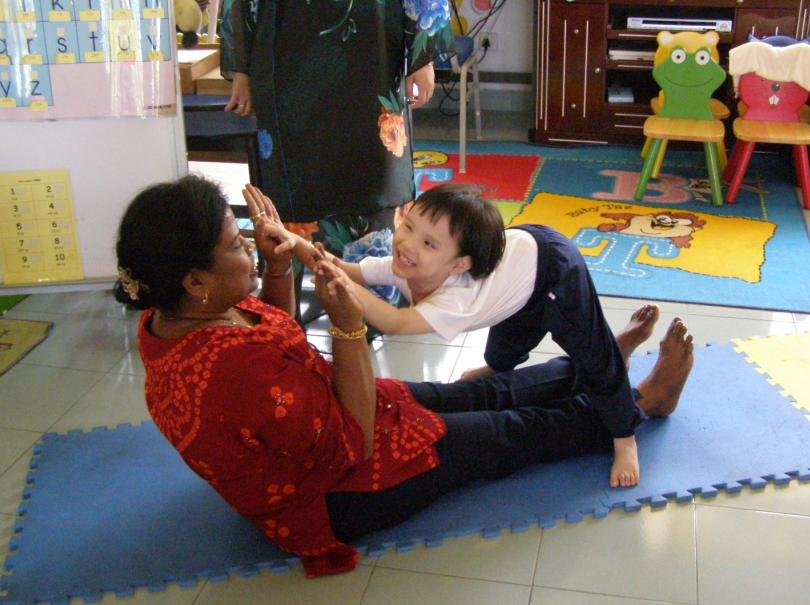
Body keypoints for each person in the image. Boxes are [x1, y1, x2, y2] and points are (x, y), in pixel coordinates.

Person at [114, 174, 695, 579]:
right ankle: (642, 401)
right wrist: (347, 330)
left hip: (325, 413)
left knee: (471, 392)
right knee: (507, 432)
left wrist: (278, 264)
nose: (247, 244)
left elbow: (277, 328)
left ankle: (595, 369)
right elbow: (352, 444)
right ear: (194, 279)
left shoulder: (174, 315)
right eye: (236, 244)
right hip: (339, 491)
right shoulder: (235, 373)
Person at [262, 182, 682, 489]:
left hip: (553, 270)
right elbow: (345, 268)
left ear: (459, 265)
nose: (406, 245)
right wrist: (291, 240)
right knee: (506, 345)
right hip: (515, 272)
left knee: (592, 355)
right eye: (407, 227)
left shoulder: (455, 298)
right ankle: (616, 347)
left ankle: (624, 433)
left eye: (428, 244)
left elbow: (393, 321)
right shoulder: (407, 264)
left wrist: (336, 281)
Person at [220, 0, 455, 232]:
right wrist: (243, 68)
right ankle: (293, 263)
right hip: (287, 57)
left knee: (375, 171)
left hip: (374, 54)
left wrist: (424, 57)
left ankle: (371, 266)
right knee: (297, 174)